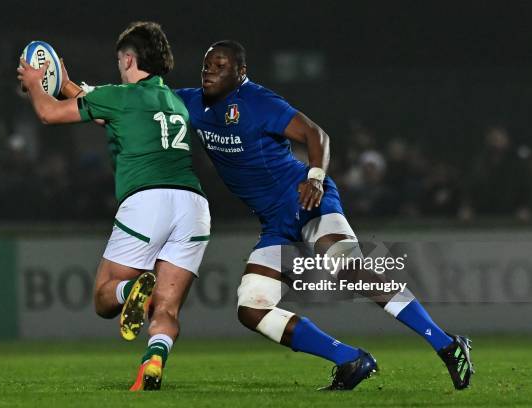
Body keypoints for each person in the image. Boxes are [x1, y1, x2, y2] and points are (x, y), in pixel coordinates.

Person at [175, 40, 474, 390]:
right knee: (251, 307)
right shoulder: (192, 102)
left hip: (305, 197)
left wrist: (315, 177)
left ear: (241, 72)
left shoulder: (257, 100)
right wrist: (96, 94)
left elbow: (316, 135)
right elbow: (145, 100)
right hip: (276, 222)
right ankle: (350, 360)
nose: (209, 70)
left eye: (220, 65)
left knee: (347, 265)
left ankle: (446, 343)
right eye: (207, 64)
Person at [17, 21, 211, 391]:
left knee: (106, 298)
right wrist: (66, 83)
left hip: (147, 201)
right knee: (166, 308)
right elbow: (105, 106)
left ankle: (133, 288)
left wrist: (33, 83)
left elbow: (50, 114)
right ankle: (154, 360)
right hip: (194, 206)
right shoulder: (174, 100)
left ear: (127, 58)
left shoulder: (119, 96)